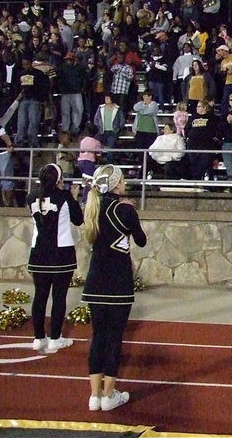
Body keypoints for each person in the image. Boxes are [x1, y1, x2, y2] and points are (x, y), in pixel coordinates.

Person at [81, 164, 147, 411]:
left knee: (98, 336)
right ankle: (109, 396)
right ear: (117, 184)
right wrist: (132, 214)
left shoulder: (93, 208)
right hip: (118, 282)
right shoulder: (124, 209)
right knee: (114, 337)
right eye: (122, 180)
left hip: (95, 280)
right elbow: (141, 240)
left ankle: (94, 396)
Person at [27, 164, 83, 353]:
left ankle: (38, 338)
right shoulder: (65, 197)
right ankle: (55, 338)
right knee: (59, 297)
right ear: (59, 180)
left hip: (38, 253)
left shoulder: (30, 196)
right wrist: (74, 197)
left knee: (40, 296)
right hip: (61, 253)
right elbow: (78, 220)